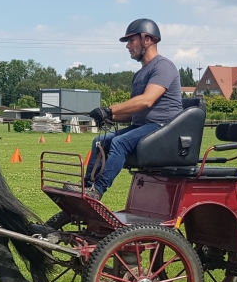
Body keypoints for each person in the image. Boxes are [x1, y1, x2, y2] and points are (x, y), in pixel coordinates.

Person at [78, 18, 183, 200]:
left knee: (120, 142)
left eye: (131, 40)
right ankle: (86, 187)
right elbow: (136, 113)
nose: (127, 46)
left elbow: (147, 101)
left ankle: (98, 190)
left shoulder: (163, 66)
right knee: (99, 141)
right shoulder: (140, 74)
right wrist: (108, 117)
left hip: (164, 128)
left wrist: (109, 109)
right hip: (144, 127)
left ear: (147, 39)